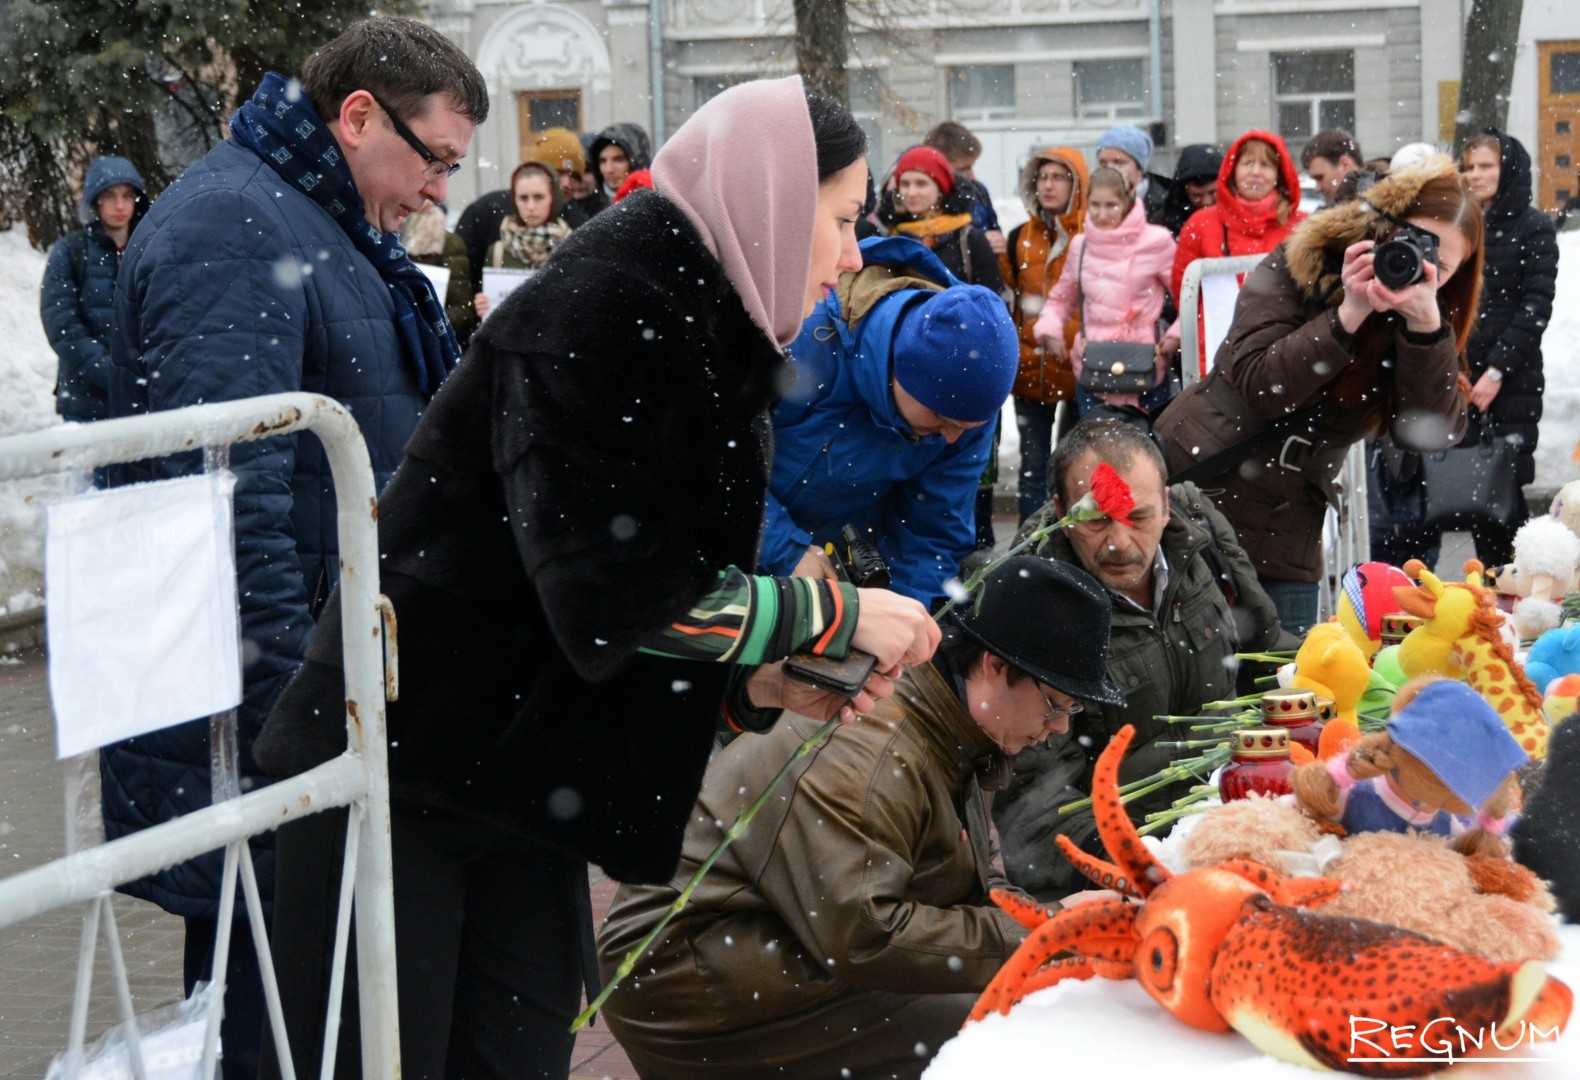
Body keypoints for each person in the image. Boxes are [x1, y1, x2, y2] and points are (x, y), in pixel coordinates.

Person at [251, 78, 940, 1080]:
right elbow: (610, 598)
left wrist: (757, 686)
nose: (850, 256)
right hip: (394, 771)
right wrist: (824, 612)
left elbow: (607, 607)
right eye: (838, 221)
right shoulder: (606, 310)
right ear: (771, 200)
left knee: (518, 1060)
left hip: (516, 777)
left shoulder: (701, 331)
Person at [105, 17, 488, 1079]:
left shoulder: (315, 217)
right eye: (435, 160)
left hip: (317, 709)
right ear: (358, 115)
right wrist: (300, 716)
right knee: (266, 1030)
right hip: (266, 737)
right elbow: (223, 502)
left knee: (314, 1024)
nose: (437, 194)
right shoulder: (236, 225)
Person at [597, 555, 1124, 1079]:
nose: (1057, 728)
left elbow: (956, 889)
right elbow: (868, 936)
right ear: (994, 667)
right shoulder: (875, 747)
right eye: (1055, 704)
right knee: (1000, 1032)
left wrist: (1052, 930)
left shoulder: (955, 720)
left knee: (1024, 994)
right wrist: (1052, 929)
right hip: (685, 983)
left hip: (771, 942)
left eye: (1071, 712)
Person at [1152, 160, 1483, 634]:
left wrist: (1426, 330)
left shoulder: (1427, 324)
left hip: (1287, 524)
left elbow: (1429, 432)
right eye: (1409, 241)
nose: (1417, 263)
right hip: (1201, 478)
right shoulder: (1300, 263)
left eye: (1439, 264)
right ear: (1381, 226)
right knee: (1185, 665)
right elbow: (1258, 384)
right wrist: (1348, 313)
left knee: (1281, 681)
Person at [992, 419, 1293, 901]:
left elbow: (1266, 648)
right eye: (1096, 520)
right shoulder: (1032, 599)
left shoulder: (1201, 534)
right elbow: (1036, 801)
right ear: (1060, 511)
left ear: (1168, 506)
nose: (1118, 542)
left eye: (1138, 517)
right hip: (1132, 859)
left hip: (1239, 811)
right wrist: (1136, 867)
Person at [762, 234, 1019, 606]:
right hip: (722, 554)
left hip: (839, 581)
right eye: (940, 418)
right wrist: (784, 550)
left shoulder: (967, 416)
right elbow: (712, 459)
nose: (949, 438)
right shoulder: (800, 335)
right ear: (900, 369)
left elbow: (931, 535)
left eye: (965, 428)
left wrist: (902, 612)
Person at [1452, 129, 1559, 566]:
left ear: (1507, 169)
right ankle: (1487, 595)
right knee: (1478, 495)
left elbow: (1535, 306)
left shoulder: (1533, 227)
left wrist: (1495, 371)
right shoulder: (1460, 224)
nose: (1476, 175)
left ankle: (1520, 588)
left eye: (1486, 166)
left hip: (1513, 380)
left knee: (1506, 488)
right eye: (1470, 166)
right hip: (1463, 375)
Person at [1033, 166, 1176, 420]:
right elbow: (1061, 298)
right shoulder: (1081, 245)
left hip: (1146, 365)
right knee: (1097, 453)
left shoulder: (1157, 241)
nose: (1102, 214)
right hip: (1094, 369)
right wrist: (1049, 329)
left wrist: (1175, 335)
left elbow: (1185, 296)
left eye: (1111, 205)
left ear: (1127, 202)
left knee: (1147, 452)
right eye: (1095, 205)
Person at [1166, 129, 1306, 372]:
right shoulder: (1200, 224)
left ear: (1279, 174)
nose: (1255, 172)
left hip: (1284, 349)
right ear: (1232, 169)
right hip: (1215, 350)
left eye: (1266, 165)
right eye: (1248, 162)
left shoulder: (1303, 227)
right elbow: (1184, 292)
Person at [1000, 147, 1089, 522]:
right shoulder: (1020, 237)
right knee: (1033, 466)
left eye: (1059, 177)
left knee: (1073, 468)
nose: (1048, 185)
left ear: (1077, 184)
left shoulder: (1093, 236)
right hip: (1030, 367)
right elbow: (1010, 301)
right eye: (1042, 177)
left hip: (1080, 370)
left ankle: (1065, 546)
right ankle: (1028, 548)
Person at [40, 155, 147, 424]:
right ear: (95, 200)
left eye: (127, 195)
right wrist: (110, 373)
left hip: (144, 401)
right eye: (109, 195)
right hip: (86, 403)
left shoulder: (151, 249)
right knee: (99, 468)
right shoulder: (70, 251)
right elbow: (62, 325)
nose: (120, 205)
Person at [471, 160, 571, 319]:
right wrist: (484, 306)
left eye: (539, 197)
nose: (530, 207)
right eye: (523, 198)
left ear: (554, 198)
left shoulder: (571, 247)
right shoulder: (498, 252)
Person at [400, 200, 479, 349]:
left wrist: (429, 321)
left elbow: (463, 309)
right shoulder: (390, 237)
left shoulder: (449, 243)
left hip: (433, 343)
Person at [925, 120, 1006, 254]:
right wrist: (978, 244)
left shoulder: (979, 191)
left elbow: (995, 233)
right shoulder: (920, 201)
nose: (972, 176)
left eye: (972, 166)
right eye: (962, 170)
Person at [1094, 124, 1170, 227]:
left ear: (1139, 167)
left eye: (1118, 162)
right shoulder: (1092, 205)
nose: (1110, 169)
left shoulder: (1166, 206)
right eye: (1103, 163)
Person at [528, 125, 594, 227]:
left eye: (574, 177)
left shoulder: (581, 226)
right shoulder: (500, 211)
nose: (567, 183)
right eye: (558, 174)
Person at [1157, 143, 1222, 239]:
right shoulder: (1164, 223)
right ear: (1184, 193)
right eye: (1197, 196)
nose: (1206, 202)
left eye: (1213, 193)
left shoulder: (1243, 214)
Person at [588, 122, 652, 203]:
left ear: (637, 160)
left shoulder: (648, 205)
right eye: (603, 161)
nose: (609, 170)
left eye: (619, 160)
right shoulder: (609, 204)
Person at [1301, 128, 1365, 204]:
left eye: (1320, 178)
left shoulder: (1378, 210)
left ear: (1345, 164)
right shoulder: (1376, 206)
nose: (1317, 188)